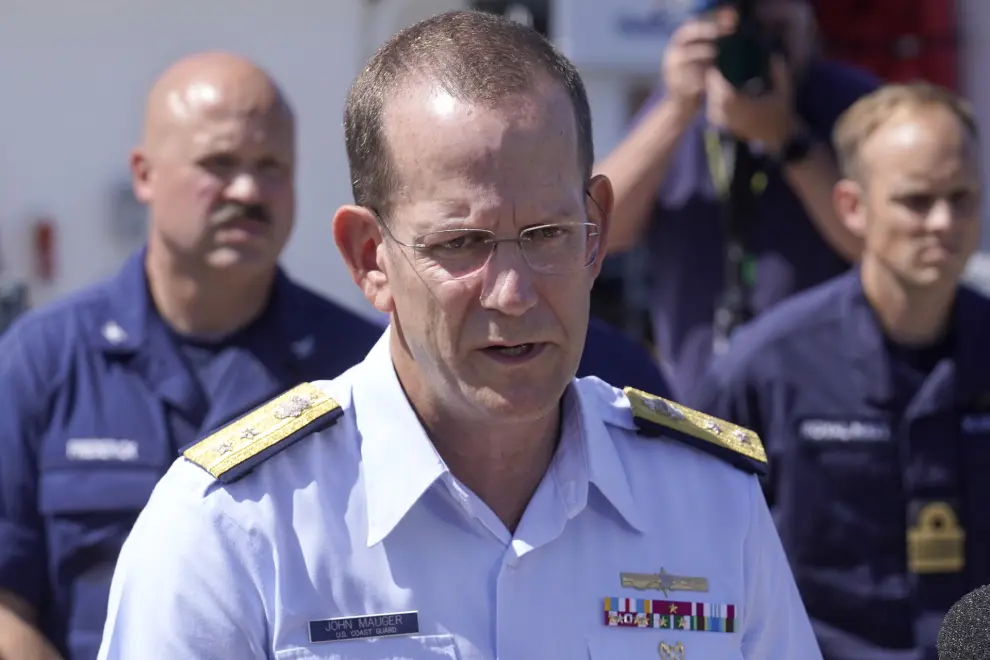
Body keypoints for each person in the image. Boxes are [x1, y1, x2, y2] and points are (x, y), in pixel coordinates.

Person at [97, 11, 820, 659]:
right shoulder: (239, 530)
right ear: (368, 258)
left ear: (595, 233)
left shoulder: (711, 505)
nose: (513, 292)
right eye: (463, 244)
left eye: (547, 234)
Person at [0, 52, 381, 660]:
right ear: (144, 174)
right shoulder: (42, 361)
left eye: (271, 166)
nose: (249, 191)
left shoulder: (360, 366)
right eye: (220, 164)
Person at [689, 83, 988, 659]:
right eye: (917, 201)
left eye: (963, 198)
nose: (943, 222)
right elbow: (696, 542)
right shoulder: (768, 367)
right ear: (853, 206)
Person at [595, 0, 878, 399]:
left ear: (808, 19)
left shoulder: (851, 103)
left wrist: (787, 140)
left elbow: (879, 246)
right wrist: (676, 109)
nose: (755, 41)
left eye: (772, 24)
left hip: (821, 403)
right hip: (699, 404)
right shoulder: (679, 105)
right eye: (736, 24)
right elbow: (597, 232)